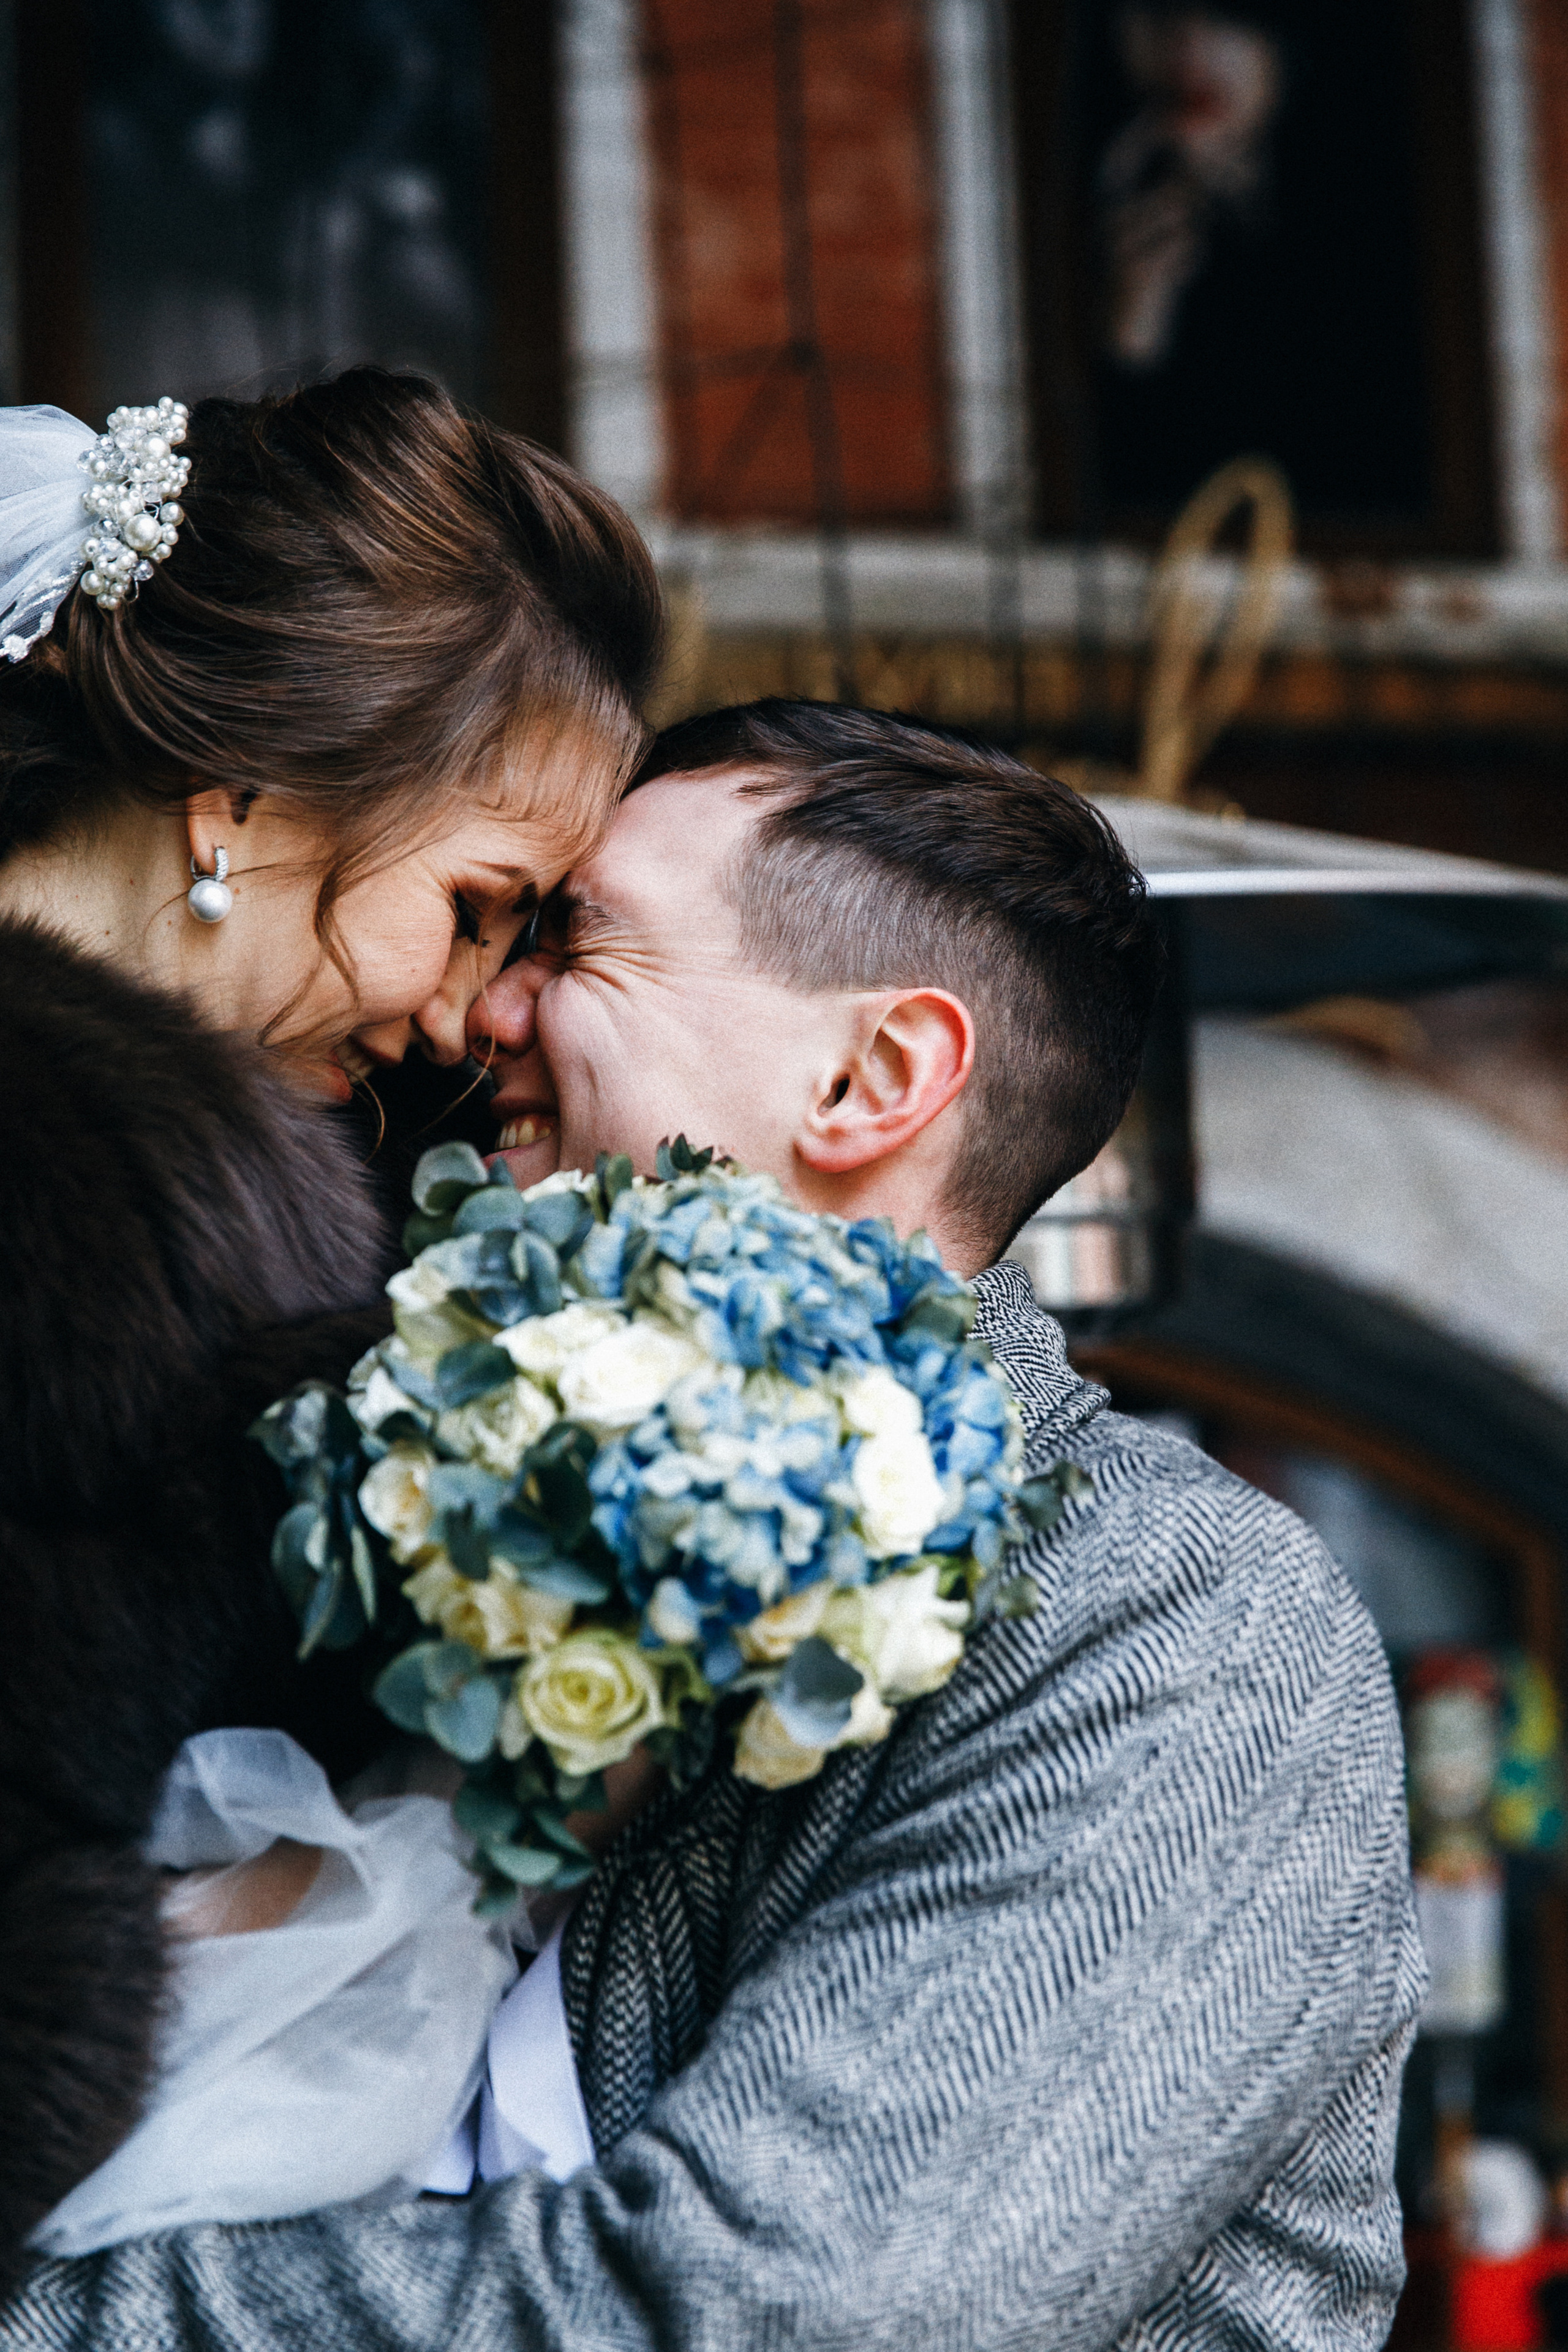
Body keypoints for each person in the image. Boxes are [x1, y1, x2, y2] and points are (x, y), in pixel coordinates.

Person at [6, 701, 1425, 2351]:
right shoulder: (406, 1490)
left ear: (871, 1078)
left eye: (576, 942)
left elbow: (783, 2315)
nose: (482, 1012)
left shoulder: (1176, 1626)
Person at [0, 368, 662, 2288]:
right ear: (251, 797)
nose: (475, 1014)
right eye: (478, 908)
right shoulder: (124, 1227)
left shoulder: (201, 1198)